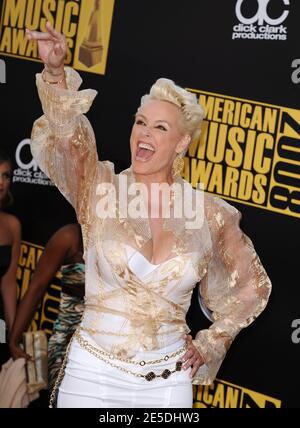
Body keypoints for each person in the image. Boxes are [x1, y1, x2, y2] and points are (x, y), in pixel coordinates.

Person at [26, 22, 271, 408]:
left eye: (160, 127)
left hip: (168, 382)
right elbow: (68, 138)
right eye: (141, 122)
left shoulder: (209, 214)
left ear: (182, 143)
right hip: (92, 374)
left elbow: (252, 287)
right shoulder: (99, 187)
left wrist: (213, 339)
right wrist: (55, 74)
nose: (145, 133)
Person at [9, 223, 84, 391]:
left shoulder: (130, 241)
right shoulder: (71, 236)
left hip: (109, 347)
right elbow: (36, 287)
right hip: (67, 348)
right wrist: (13, 341)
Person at [0, 150, 21, 368]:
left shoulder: (12, 225)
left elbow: (8, 282)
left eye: (6, 176)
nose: (1, 183)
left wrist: (13, 336)